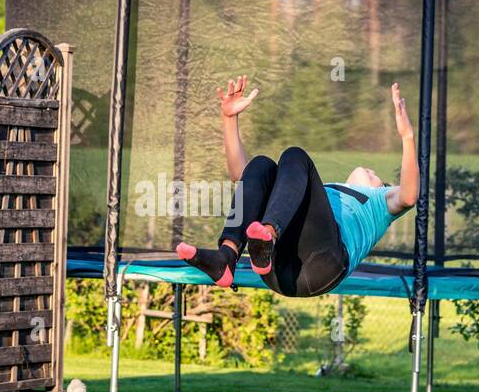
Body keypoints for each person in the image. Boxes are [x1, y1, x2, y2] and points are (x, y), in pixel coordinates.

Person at [176, 75, 419, 296]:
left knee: (294, 156)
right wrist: (229, 119)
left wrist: (407, 137)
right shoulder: (321, 196)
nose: (369, 170)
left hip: (323, 265)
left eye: (375, 174)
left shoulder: (377, 202)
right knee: (261, 165)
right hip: (278, 269)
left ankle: (267, 238)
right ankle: (227, 255)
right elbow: (244, 176)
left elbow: (408, 196)